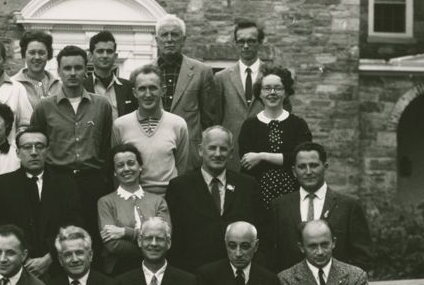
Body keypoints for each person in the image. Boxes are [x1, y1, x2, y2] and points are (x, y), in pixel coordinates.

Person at [29, 45, 113, 238]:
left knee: (93, 235)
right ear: (58, 71)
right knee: (58, 234)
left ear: (86, 70)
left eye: (78, 67)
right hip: (58, 180)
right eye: (67, 68)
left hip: (92, 181)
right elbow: (38, 143)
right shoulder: (45, 107)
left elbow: (106, 146)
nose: (73, 73)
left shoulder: (102, 105)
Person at [164, 125, 266, 272]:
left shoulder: (247, 185)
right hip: (193, 273)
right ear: (200, 150)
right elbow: (175, 236)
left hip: (238, 271)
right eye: (212, 148)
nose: (217, 154)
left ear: (231, 153)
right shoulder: (180, 187)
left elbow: (261, 229)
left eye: (223, 149)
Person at [0, 128, 82, 280]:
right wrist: (23, 258)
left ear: (48, 151)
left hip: (58, 268)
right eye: (27, 147)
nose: (34, 152)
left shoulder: (66, 184)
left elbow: (74, 224)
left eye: (40, 146)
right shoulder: (1, 185)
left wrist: (50, 257)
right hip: (16, 268)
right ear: (17, 152)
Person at [133, 14, 219, 169]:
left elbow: (209, 120)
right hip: (152, 150)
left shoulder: (202, 72)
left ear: (184, 39)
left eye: (175, 34)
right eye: (165, 35)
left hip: (189, 154)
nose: (170, 39)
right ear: (157, 40)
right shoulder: (141, 75)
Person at [271, 141, 372, 272]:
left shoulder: (349, 206)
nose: (308, 172)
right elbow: (272, 256)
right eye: (302, 167)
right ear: (294, 171)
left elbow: (362, 257)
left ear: (325, 167)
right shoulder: (280, 206)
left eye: (313, 165)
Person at [237, 66, 313, 208]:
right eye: (267, 88)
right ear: (259, 93)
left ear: (286, 93)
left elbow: (300, 158)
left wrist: (261, 156)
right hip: (256, 195)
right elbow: (247, 160)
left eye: (278, 88)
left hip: (293, 194)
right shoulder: (250, 125)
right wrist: (284, 158)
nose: (272, 92)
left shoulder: (298, 124)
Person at [111, 66, 189, 195]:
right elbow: (116, 168)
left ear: (163, 90)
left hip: (168, 198)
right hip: (133, 197)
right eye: (142, 89)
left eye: (153, 88)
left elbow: (182, 167)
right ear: (135, 92)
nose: (148, 94)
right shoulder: (120, 125)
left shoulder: (178, 124)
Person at [97, 142, 170, 275]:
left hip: (155, 269)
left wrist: (125, 232)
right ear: (114, 171)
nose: (126, 169)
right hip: (118, 270)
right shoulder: (105, 202)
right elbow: (112, 245)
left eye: (131, 163)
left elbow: (165, 238)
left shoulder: (158, 201)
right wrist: (150, 245)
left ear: (140, 166)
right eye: (120, 165)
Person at [213, 21, 265, 172]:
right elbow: (217, 119)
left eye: (251, 41)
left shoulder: (271, 75)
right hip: (232, 155)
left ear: (260, 43)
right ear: (235, 44)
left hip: (264, 153)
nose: (246, 46)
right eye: (241, 41)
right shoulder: (221, 78)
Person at [84, 30, 136, 119]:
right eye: (100, 51)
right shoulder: (82, 87)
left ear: (115, 56)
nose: (105, 55)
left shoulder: (129, 87)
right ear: (90, 56)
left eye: (109, 51)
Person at [14, 30, 60, 112]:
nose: (37, 57)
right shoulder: (13, 84)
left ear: (48, 54)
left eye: (41, 53)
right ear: (24, 54)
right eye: (32, 53)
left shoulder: (59, 86)